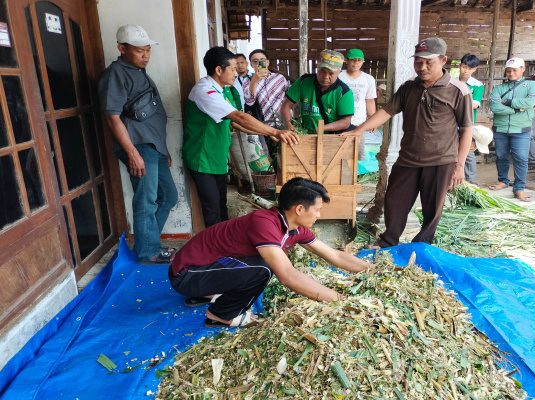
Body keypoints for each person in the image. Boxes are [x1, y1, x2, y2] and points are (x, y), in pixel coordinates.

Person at [169, 178, 372, 327]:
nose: (319, 215)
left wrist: (371, 270)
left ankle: (206, 293)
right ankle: (221, 315)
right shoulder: (264, 222)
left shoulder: (296, 229)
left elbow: (334, 255)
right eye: (317, 210)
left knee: (263, 263)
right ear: (299, 209)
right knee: (263, 270)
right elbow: (288, 276)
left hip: (205, 271)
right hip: (186, 274)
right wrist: (342, 301)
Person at [342, 37, 473, 246]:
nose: (422, 67)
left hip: (441, 160)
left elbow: (466, 129)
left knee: (433, 208)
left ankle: (422, 245)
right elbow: (386, 111)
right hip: (408, 158)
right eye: (418, 62)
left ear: (443, 60)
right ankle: (388, 240)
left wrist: (459, 165)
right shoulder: (408, 88)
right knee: (394, 200)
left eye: (428, 62)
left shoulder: (458, 90)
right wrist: (360, 129)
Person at [183, 47, 298, 228]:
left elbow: (235, 124)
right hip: (202, 157)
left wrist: (266, 133)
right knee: (212, 209)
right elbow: (239, 117)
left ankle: (224, 244)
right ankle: (214, 252)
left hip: (217, 157)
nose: (236, 73)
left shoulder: (223, 89)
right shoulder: (205, 91)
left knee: (221, 206)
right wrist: (274, 132)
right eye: (233, 69)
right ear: (219, 70)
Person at [99, 25, 178, 263]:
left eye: (147, 50)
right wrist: (132, 153)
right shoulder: (116, 74)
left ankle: (150, 241)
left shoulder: (137, 70)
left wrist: (163, 150)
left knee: (169, 196)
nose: (145, 56)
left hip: (153, 147)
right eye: (139, 51)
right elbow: (113, 118)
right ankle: (148, 251)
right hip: (139, 146)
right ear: (122, 49)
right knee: (146, 199)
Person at [489, 57, 535, 202]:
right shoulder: (499, 88)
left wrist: (508, 102)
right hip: (501, 128)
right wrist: (517, 110)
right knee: (501, 156)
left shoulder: (532, 85)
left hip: (521, 129)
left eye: (514, 70)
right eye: (508, 70)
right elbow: (494, 106)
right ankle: (503, 181)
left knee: (521, 159)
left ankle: (519, 188)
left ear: (523, 69)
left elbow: (530, 102)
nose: (510, 73)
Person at [281, 50, 354, 134]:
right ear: (317, 67)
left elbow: (345, 122)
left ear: (339, 72)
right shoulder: (303, 82)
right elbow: (286, 106)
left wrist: (322, 128)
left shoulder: (344, 92)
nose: (326, 77)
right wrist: (288, 124)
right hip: (306, 135)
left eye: (331, 73)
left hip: (333, 138)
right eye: (322, 71)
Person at [338, 48, 377, 159]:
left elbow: (369, 101)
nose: (356, 63)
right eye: (353, 60)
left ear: (363, 62)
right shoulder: (339, 77)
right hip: (340, 120)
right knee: (340, 152)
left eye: (359, 60)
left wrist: (372, 119)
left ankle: (356, 175)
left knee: (358, 153)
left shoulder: (368, 79)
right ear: (346, 61)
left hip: (359, 121)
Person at [458, 54, 485, 185]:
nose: (466, 70)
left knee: (467, 152)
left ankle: (472, 180)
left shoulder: (478, 85)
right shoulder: (450, 81)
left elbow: (475, 104)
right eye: (464, 67)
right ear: (460, 66)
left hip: (466, 123)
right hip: (449, 122)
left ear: (474, 70)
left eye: (469, 68)